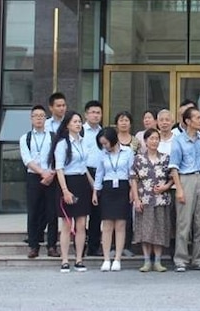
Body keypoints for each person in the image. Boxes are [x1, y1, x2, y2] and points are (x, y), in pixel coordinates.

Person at [169, 106, 200, 272]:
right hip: (185, 179)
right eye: (197, 118)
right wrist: (179, 189)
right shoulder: (178, 140)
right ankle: (180, 259)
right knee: (184, 222)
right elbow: (174, 166)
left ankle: (199, 259)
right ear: (187, 121)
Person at [50, 111, 93, 273]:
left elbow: (84, 166)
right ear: (67, 124)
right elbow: (59, 169)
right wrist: (65, 191)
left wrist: (93, 186)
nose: (78, 124)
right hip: (67, 182)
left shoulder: (83, 142)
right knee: (67, 224)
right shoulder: (62, 143)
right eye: (75, 121)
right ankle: (65, 259)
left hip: (81, 182)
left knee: (82, 224)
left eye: (79, 121)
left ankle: (79, 259)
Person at [91, 126, 134, 272]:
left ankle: (117, 258)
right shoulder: (103, 154)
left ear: (113, 139)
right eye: (102, 144)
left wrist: (132, 191)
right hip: (108, 187)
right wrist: (95, 191)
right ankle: (106, 258)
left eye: (106, 143)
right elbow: (99, 173)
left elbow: (131, 173)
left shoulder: (127, 152)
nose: (104, 146)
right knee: (107, 225)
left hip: (123, 187)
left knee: (121, 225)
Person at [131, 128, 173, 272]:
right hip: (145, 199)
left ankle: (158, 261)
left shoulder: (166, 158)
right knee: (145, 231)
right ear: (145, 141)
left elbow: (172, 178)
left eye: (156, 138)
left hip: (161, 199)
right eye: (151, 138)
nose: (154, 141)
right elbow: (133, 180)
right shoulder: (138, 159)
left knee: (159, 230)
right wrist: (136, 199)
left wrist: (165, 187)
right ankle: (147, 261)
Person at [19, 105, 58, 258]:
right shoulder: (25, 138)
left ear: (46, 118)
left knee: (52, 212)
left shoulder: (53, 136)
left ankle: (52, 246)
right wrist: (42, 173)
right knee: (33, 211)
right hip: (34, 176)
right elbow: (26, 159)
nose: (39, 119)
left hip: (52, 176)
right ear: (31, 118)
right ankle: (33, 246)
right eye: (35, 116)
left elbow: (58, 157)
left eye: (42, 116)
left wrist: (50, 174)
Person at [82, 100, 105, 257]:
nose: (95, 115)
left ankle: (94, 246)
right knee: (82, 212)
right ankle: (80, 244)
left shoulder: (103, 132)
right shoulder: (81, 131)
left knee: (97, 213)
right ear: (86, 114)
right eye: (93, 112)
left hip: (101, 172)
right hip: (83, 173)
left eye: (98, 112)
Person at [114, 111, 138, 256]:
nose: (124, 123)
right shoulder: (112, 140)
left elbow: (137, 163)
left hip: (129, 181)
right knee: (112, 215)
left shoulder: (135, 141)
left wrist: (133, 187)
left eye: (126, 120)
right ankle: (113, 246)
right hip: (112, 180)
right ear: (116, 123)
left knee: (127, 215)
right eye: (121, 120)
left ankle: (127, 245)